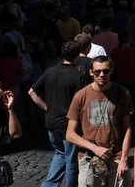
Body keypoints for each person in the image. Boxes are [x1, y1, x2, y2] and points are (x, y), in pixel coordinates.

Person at [66, 56, 133, 187]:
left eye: (106, 71)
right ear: (91, 72)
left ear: (111, 71)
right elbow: (70, 134)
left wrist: (124, 158)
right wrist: (94, 148)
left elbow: (128, 128)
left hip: (116, 157)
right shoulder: (81, 96)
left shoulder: (122, 93)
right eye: (97, 71)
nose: (102, 75)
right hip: (89, 158)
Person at [29, 40, 85, 187]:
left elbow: (31, 91)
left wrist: (46, 107)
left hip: (52, 121)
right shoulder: (78, 76)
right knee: (71, 159)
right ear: (78, 55)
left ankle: (49, 184)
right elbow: (80, 101)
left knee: (60, 153)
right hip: (69, 124)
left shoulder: (50, 71)